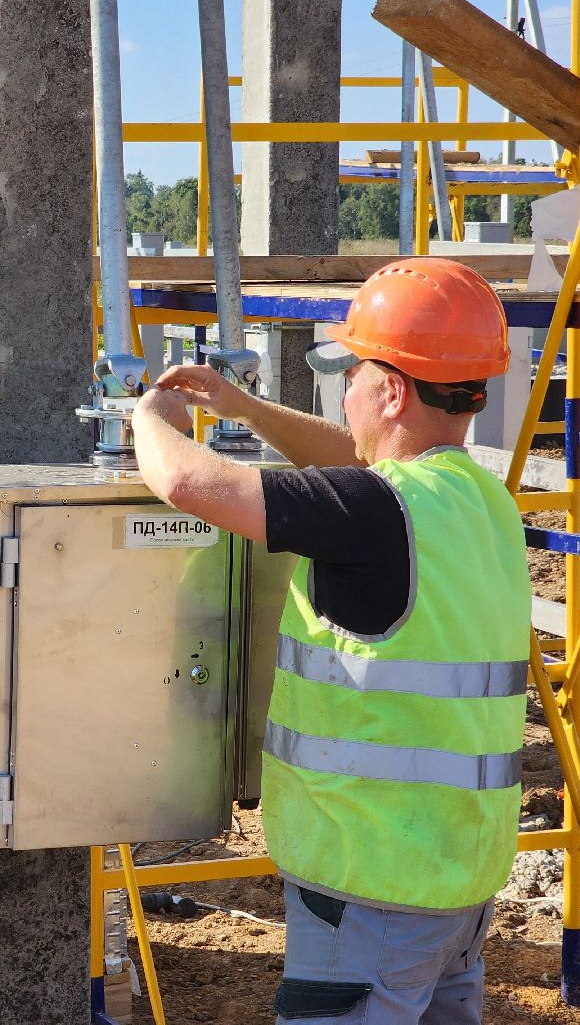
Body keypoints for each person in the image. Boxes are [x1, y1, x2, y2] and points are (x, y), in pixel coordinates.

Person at [130, 257, 530, 1024]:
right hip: (457, 884)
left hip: (369, 890)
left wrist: (147, 419)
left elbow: (187, 485)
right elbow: (360, 465)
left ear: (392, 390)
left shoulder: (377, 512)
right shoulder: (480, 497)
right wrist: (246, 408)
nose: (343, 389)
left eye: (352, 371)